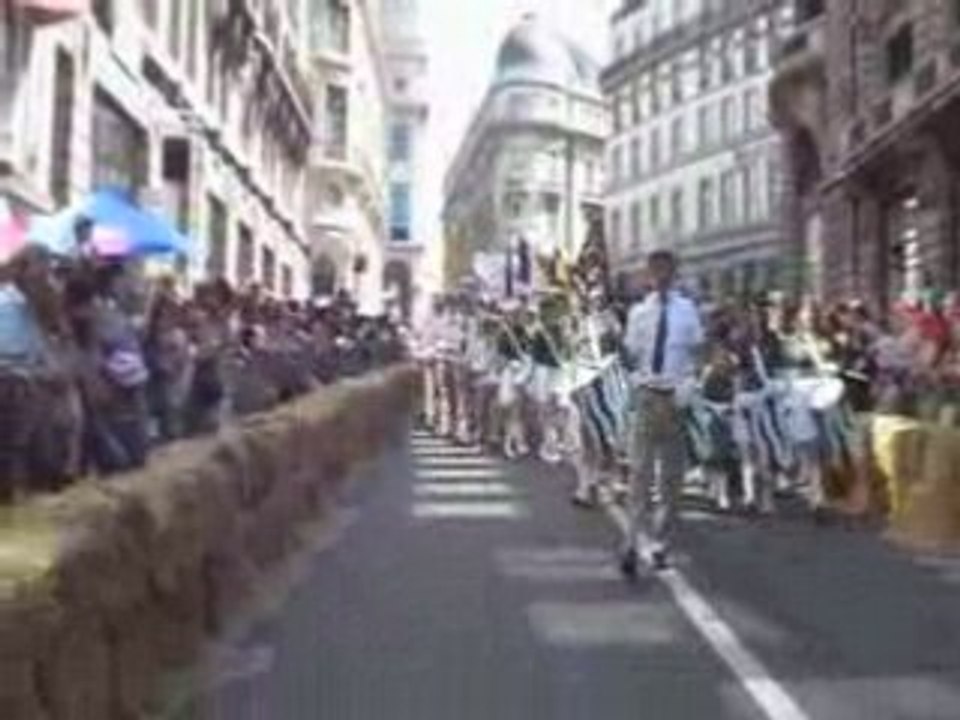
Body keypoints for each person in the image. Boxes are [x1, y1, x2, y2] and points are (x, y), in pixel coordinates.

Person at [621, 250, 704, 576]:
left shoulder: (688, 311)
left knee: (671, 478)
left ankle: (660, 542)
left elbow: (698, 350)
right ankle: (631, 541)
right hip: (648, 394)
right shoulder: (639, 313)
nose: (661, 277)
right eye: (655, 271)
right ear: (649, 276)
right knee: (639, 472)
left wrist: (690, 381)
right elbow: (630, 352)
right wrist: (634, 379)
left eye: (666, 271)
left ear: (674, 274)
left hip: (675, 398)